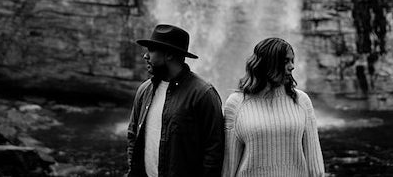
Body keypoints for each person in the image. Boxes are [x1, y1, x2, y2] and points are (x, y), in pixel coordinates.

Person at [126, 23, 225, 177]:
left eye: (151, 50)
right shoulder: (144, 90)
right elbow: (133, 136)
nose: (145, 56)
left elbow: (214, 151)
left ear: (169, 54)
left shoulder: (203, 94)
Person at [221, 37, 324, 177]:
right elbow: (229, 164)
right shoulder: (236, 103)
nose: (292, 66)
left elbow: (314, 162)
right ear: (267, 64)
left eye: (292, 60)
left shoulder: (302, 101)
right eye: (285, 61)